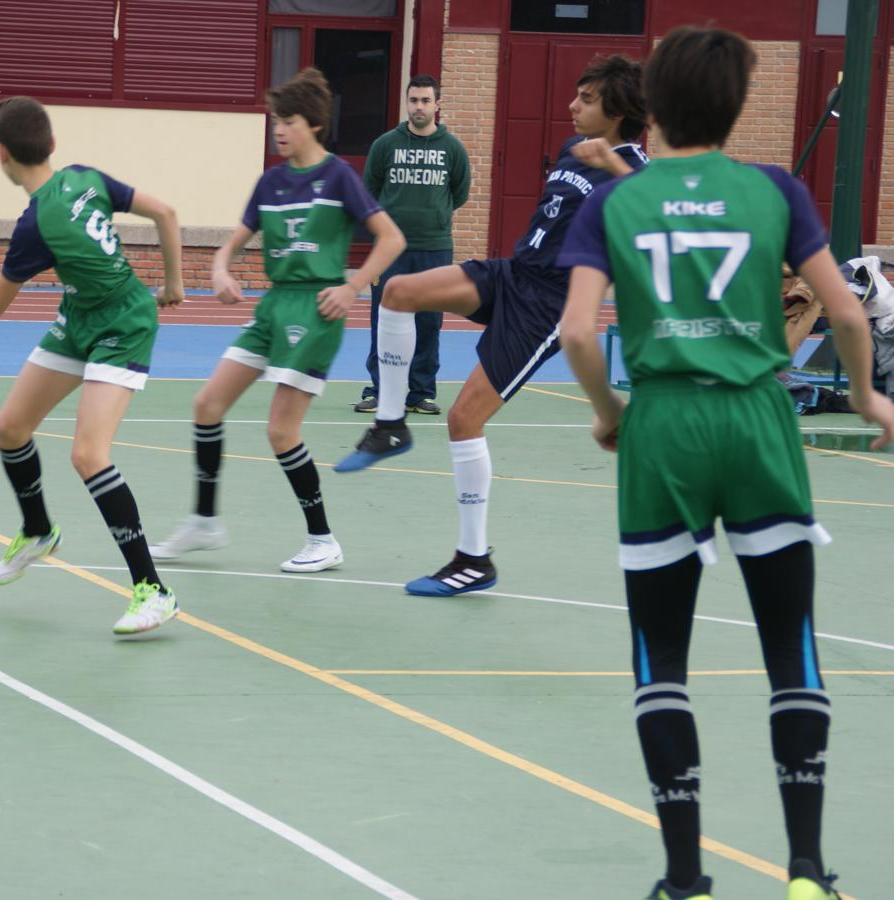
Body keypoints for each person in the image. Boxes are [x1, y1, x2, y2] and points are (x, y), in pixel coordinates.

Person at [557, 27, 894, 900]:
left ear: (654, 107)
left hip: (662, 427)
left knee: (660, 657)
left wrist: (609, 414)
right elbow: (849, 318)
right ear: (737, 105)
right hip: (757, 422)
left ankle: (682, 877)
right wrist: (864, 399)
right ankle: (807, 871)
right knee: (790, 647)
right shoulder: (773, 191)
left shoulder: (611, 202)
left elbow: (576, 334)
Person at [337, 54, 648, 597]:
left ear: (619, 111)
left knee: (463, 419)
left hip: (547, 305)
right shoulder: (572, 149)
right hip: (513, 272)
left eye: (588, 98)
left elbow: (655, 216)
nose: (573, 105)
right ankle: (390, 424)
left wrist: (617, 170)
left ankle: (473, 558)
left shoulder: (636, 171)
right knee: (398, 291)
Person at [0, 96, 184, 637]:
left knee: (88, 454)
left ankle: (153, 590)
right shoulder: (84, 177)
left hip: (123, 325)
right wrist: (177, 284)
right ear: (52, 143)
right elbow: (166, 212)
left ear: (1, 154)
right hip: (81, 316)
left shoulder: (35, 223)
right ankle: (38, 530)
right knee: (11, 426)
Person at [148, 68, 405, 572]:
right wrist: (221, 271)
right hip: (273, 306)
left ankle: (323, 540)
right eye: (275, 121)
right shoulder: (271, 182)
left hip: (316, 310)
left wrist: (352, 286)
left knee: (281, 432)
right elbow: (229, 247)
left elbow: (391, 238)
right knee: (207, 404)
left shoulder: (339, 177)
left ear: (312, 124)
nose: (278, 130)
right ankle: (203, 522)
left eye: (286, 120)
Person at [355, 73, 471, 417]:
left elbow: (459, 192)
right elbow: (370, 191)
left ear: (437, 105)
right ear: (407, 103)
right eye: (413, 100)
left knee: (429, 322)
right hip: (390, 251)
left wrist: (434, 216)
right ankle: (379, 389)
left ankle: (420, 392)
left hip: (435, 247)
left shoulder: (453, 149)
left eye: (425, 101)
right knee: (384, 319)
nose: (418, 107)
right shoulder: (385, 145)